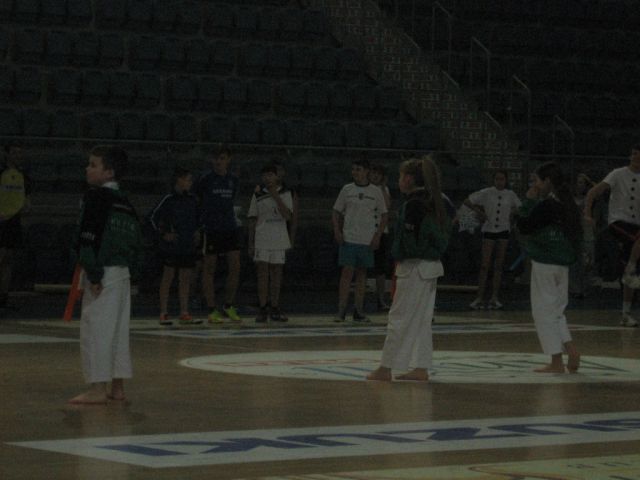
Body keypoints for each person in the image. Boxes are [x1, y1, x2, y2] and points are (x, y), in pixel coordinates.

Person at [367, 155, 450, 382]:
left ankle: (386, 367)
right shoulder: (436, 201)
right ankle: (421, 367)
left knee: (399, 317)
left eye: (401, 176)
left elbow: (409, 241)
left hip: (413, 266)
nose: (399, 180)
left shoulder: (413, 204)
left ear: (410, 179)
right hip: (430, 267)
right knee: (422, 320)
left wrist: (400, 254)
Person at [69, 145, 142, 404]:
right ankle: (118, 387)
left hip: (102, 273)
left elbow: (87, 238)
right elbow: (136, 243)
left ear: (109, 172)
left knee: (96, 329)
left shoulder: (95, 197)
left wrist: (94, 274)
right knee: (119, 331)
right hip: (123, 273)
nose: (87, 169)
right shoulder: (126, 203)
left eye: (93, 165)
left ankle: (98, 389)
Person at [517, 162, 582, 373]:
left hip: (545, 262)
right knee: (556, 311)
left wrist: (529, 201)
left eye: (537, 180)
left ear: (547, 181)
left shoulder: (547, 205)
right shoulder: (569, 204)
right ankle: (570, 349)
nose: (534, 185)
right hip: (563, 264)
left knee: (543, 311)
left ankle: (556, 360)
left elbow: (524, 225)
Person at [585, 144, 640, 327]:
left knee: (630, 275)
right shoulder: (618, 174)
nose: (635, 158)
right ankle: (631, 265)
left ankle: (625, 314)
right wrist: (588, 213)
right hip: (618, 223)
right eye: (633, 154)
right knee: (632, 263)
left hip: (636, 229)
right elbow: (594, 191)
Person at [332, 157, 388, 322]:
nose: (355, 172)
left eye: (358, 169)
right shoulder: (347, 189)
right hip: (349, 238)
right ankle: (341, 310)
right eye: (353, 169)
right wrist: (337, 231)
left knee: (362, 275)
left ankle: (358, 310)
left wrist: (377, 236)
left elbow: (384, 215)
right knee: (346, 274)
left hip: (367, 240)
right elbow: (336, 212)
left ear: (366, 171)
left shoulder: (375, 191)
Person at [194, 147, 242, 324]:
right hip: (211, 228)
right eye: (216, 158)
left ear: (228, 159)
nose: (218, 161)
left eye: (222, 158)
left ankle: (228, 305)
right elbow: (196, 201)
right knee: (209, 268)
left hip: (230, 227)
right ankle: (211, 308)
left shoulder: (233, 180)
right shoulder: (205, 179)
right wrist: (199, 225)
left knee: (235, 266)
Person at [149, 167, 201, 326]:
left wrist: (198, 231)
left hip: (187, 245)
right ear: (179, 180)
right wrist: (163, 234)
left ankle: (184, 312)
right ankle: (163, 312)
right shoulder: (168, 199)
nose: (190, 183)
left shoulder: (193, 199)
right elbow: (152, 218)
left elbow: (198, 219)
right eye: (188, 180)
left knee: (185, 278)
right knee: (168, 277)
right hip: (172, 246)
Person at [464, 170, 521, 309]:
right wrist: (480, 212)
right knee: (485, 265)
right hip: (489, 230)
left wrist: (511, 214)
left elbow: (520, 207)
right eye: (497, 179)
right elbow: (468, 201)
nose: (499, 182)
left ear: (506, 180)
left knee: (499, 265)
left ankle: (494, 297)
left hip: (503, 230)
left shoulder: (510, 194)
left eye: (502, 179)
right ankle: (479, 297)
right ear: (493, 180)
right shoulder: (486, 192)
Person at [247, 163, 294, 323]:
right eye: (265, 175)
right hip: (262, 238)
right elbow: (252, 219)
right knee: (262, 274)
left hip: (279, 238)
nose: (267, 178)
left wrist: (276, 196)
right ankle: (262, 307)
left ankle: (275, 307)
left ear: (276, 176)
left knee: (276, 274)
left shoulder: (286, 193)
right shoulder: (258, 194)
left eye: (270, 175)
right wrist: (251, 242)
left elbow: (287, 216)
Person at [0, 143, 31, 308]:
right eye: (14, 152)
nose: (18, 155)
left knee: (7, 260)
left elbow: (27, 202)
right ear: (7, 154)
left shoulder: (24, 176)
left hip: (13, 222)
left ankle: (3, 295)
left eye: (20, 152)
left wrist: (18, 209)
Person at [369, 163, 392, 310]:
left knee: (380, 268)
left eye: (379, 174)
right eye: (373, 173)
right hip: (366, 232)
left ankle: (381, 300)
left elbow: (387, 207)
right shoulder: (365, 189)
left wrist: (383, 187)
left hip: (381, 232)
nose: (376, 176)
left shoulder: (384, 190)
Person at [569, 173, 596, 298]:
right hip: (574, 234)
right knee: (574, 263)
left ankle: (585, 287)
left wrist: (589, 180)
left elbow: (599, 192)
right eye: (577, 182)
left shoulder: (589, 198)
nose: (579, 185)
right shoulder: (569, 199)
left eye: (582, 183)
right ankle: (575, 289)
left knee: (588, 262)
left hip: (587, 233)